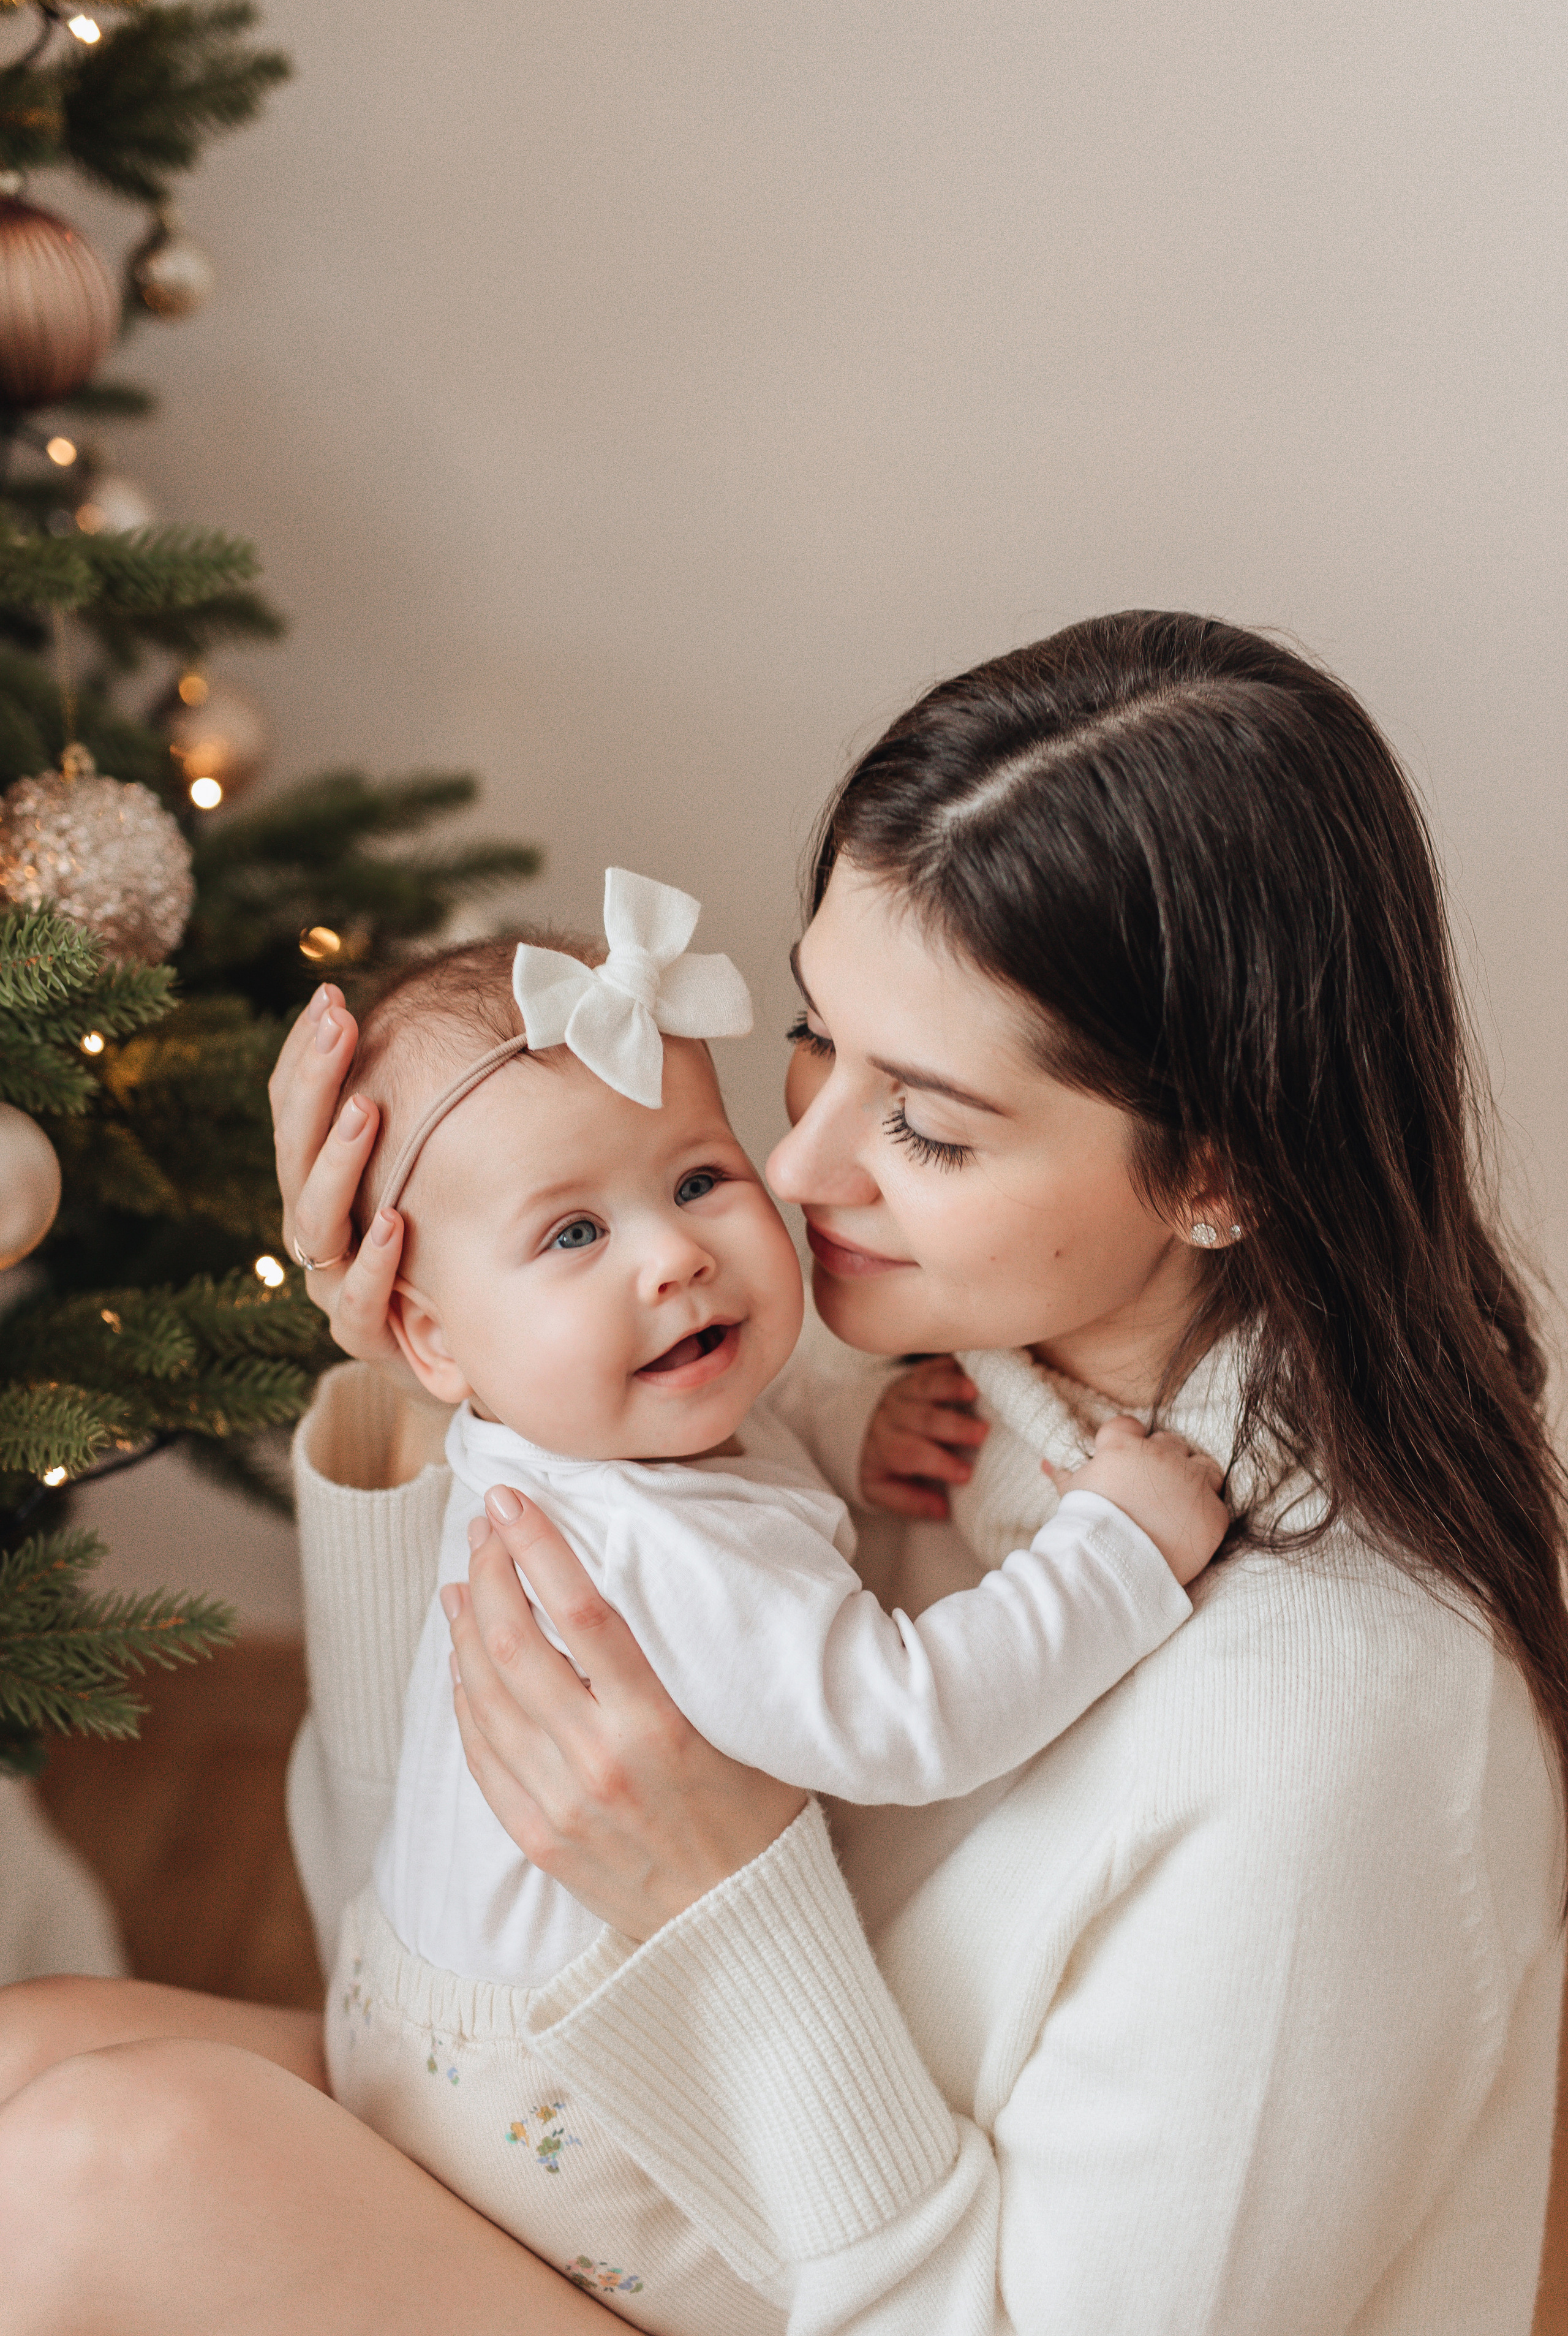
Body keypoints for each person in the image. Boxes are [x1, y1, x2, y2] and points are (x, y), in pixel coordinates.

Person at [1, 610, 1563, 2336]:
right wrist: (457, 1414)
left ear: (1213, 1169)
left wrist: (712, 1892)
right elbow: (415, 1931)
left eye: (931, 1125)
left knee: (105, 2167)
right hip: (653, 2196)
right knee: (35, 2059)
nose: (796, 1164)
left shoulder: (1334, 1737)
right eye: (815, 1039)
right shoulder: (858, 1391)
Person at [318, 869, 1223, 2306]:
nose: (675, 1256)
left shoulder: (533, 1430)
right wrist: (1110, 1553)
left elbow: (727, 1437)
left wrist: (841, 1430)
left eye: (695, 1179)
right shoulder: (673, 1548)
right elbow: (903, 1718)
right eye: (571, 1235)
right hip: (556, 2113)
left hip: (407, 1998)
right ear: (429, 1337)